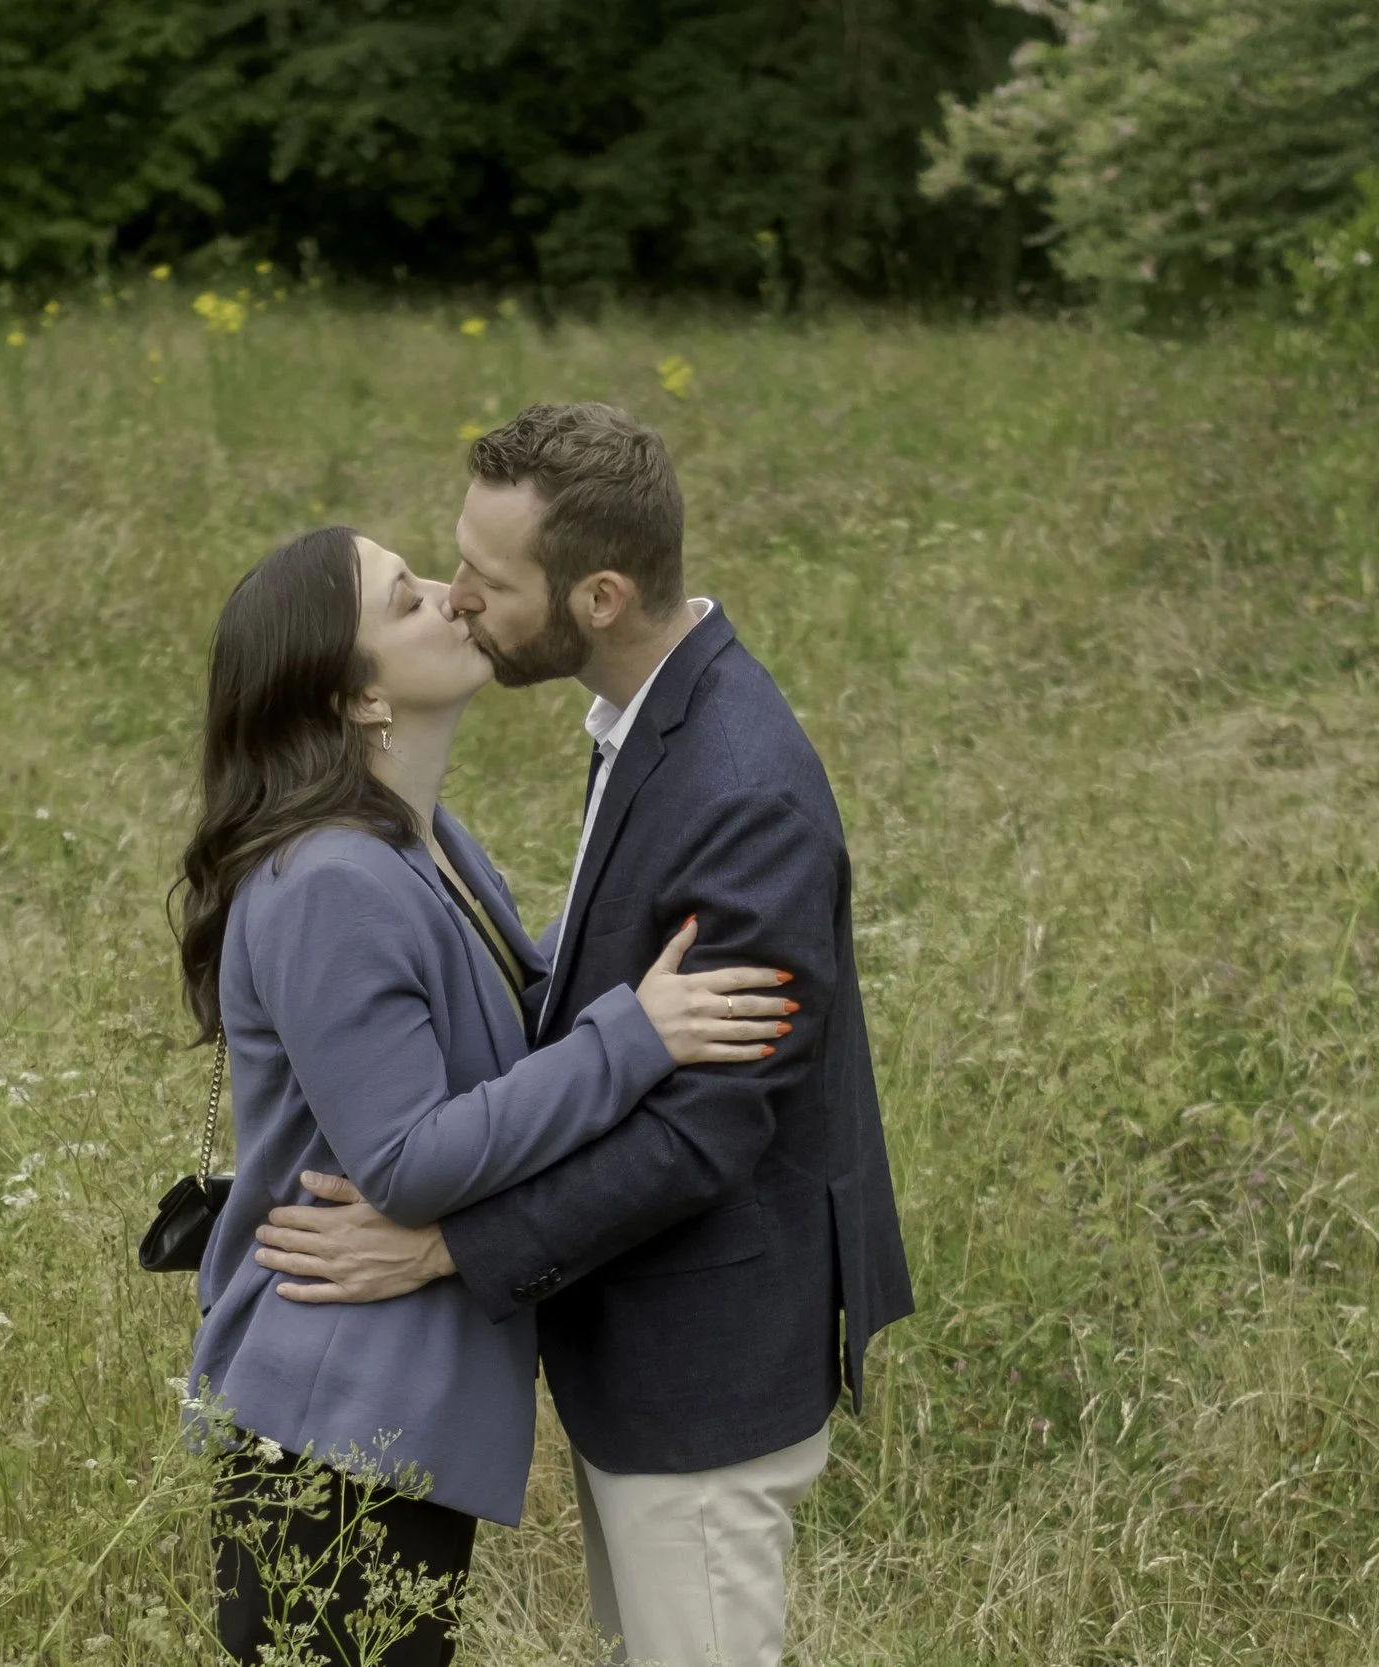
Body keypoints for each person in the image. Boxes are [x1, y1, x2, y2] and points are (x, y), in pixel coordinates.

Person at [250, 405, 917, 1667]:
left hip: (704, 1367)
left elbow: (707, 1130)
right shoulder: (643, 723)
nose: (457, 598)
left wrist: (449, 1244)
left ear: (597, 595)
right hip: (644, 1354)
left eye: (490, 582)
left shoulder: (739, 788)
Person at [175, 525, 799, 1666]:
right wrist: (635, 1034)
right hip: (334, 1421)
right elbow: (407, 1160)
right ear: (357, 693)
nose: (449, 598)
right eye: (405, 600)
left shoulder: (421, 842)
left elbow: (509, 1021)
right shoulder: (329, 881)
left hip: (385, 1407)